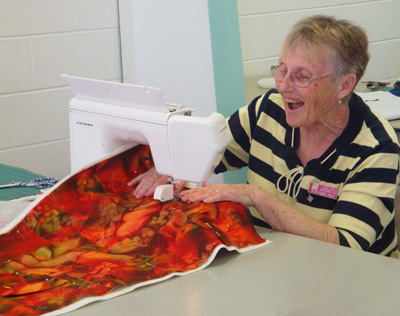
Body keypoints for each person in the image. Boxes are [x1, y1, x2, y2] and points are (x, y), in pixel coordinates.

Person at [129, 15, 400, 258]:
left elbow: (345, 248)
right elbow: (208, 153)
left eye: (301, 77)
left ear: (344, 85)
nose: (283, 86)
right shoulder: (268, 110)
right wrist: (171, 165)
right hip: (275, 264)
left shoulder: (377, 149)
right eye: (281, 70)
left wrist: (257, 197)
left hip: (350, 282)